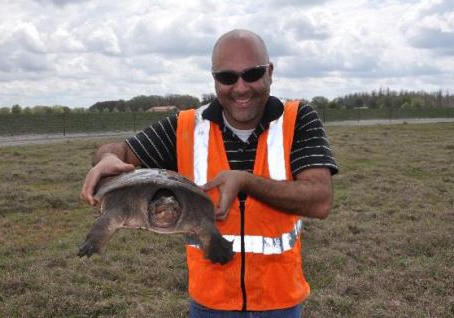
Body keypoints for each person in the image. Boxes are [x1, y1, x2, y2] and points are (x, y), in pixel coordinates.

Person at [81, 29, 338, 318]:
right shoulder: (186, 127)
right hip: (209, 304)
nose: (240, 88)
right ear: (214, 79)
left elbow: (320, 200)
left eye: (252, 74)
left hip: (280, 303)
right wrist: (106, 159)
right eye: (227, 78)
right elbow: (117, 150)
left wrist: (246, 181)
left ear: (270, 72)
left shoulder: (298, 119)